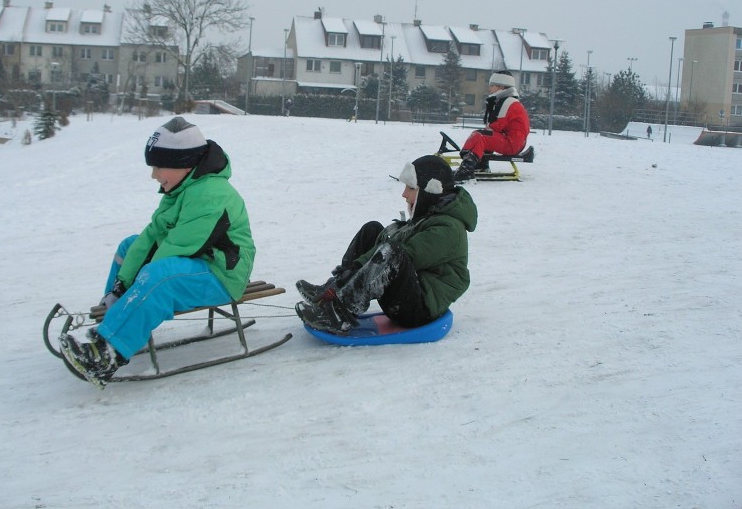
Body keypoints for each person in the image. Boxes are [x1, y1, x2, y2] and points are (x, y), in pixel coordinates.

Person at [59, 117, 255, 387]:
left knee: (159, 275)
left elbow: (175, 248)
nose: (153, 175)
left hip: (221, 275)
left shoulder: (211, 194)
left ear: (183, 164)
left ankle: (107, 354)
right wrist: (120, 287)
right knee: (130, 246)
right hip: (196, 263)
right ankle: (112, 318)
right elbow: (152, 236)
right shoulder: (183, 187)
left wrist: (136, 283)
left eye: (158, 166)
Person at [295, 155, 477, 334]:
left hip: (417, 309)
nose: (404, 194)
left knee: (393, 252)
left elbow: (405, 255)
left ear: (431, 191)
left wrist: (357, 268)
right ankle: (333, 290)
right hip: (404, 293)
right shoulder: (430, 214)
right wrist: (351, 271)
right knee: (372, 230)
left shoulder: (448, 229)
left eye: (411, 188)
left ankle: (338, 314)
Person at [454, 70, 530, 182]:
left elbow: (497, 125)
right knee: (482, 135)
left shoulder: (508, 102)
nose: (490, 88)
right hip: (514, 141)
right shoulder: (507, 100)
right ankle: (480, 164)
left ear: (501, 87)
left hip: (512, 143)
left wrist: (483, 133)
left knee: (480, 136)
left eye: (492, 86)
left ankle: (466, 169)